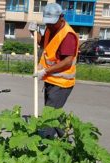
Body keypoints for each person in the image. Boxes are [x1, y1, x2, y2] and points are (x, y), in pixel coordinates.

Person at [29, 3, 78, 138]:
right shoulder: (51, 29)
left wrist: (45, 71)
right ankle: (64, 136)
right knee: (53, 113)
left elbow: (67, 61)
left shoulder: (68, 35)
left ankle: (46, 142)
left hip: (62, 83)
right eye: (47, 23)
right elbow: (42, 42)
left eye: (52, 23)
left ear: (61, 18)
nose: (49, 26)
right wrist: (35, 32)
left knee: (49, 116)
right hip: (51, 80)